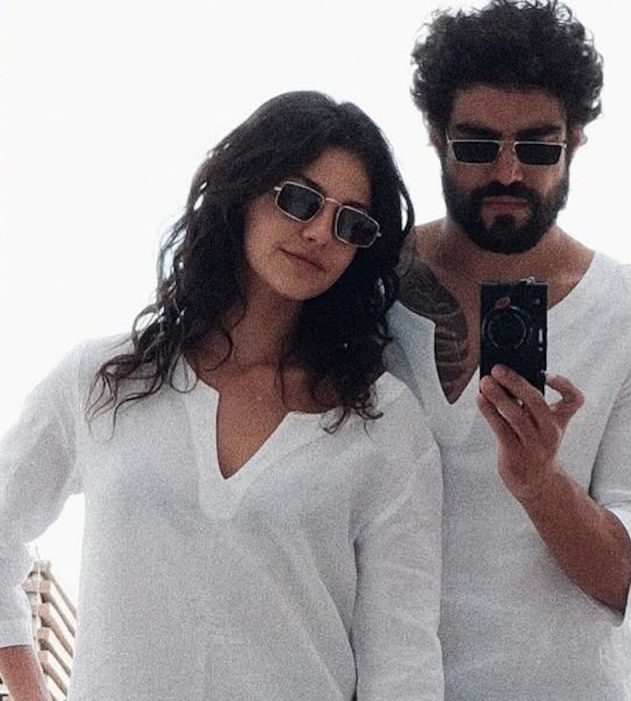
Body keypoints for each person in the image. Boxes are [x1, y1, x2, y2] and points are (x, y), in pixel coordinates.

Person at [0, 91, 444, 700]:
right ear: (245, 192)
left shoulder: (384, 424)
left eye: (351, 224)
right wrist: (31, 692)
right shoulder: (102, 381)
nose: (319, 232)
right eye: (300, 199)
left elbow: (403, 667)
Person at [385, 0, 631, 699]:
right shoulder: (363, 289)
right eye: (477, 146)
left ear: (575, 141)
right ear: (435, 136)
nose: (507, 172)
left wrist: (539, 485)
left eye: (536, 147)